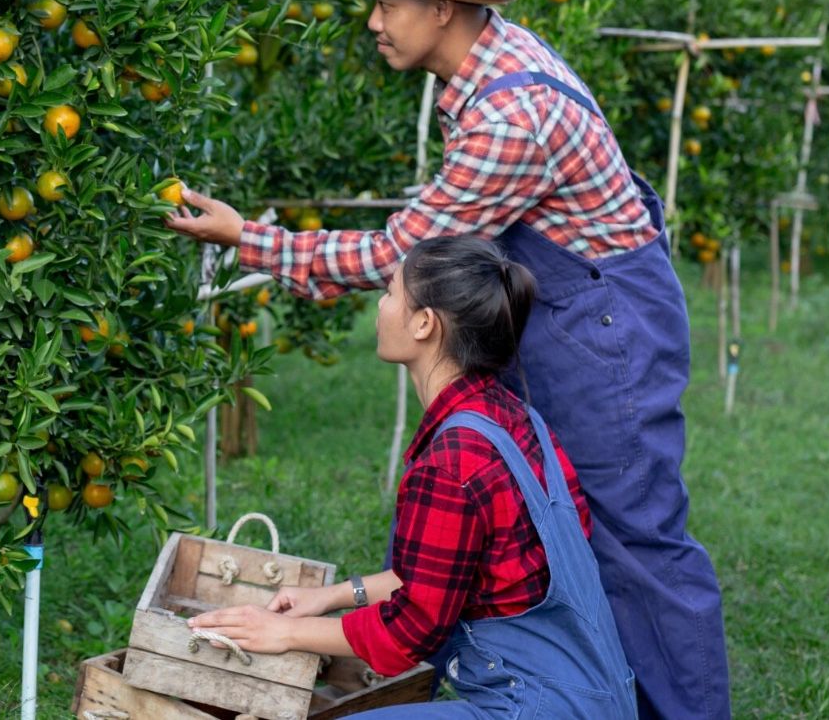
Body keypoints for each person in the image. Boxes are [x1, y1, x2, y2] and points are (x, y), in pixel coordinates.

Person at [167, 0, 728, 719]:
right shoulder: (493, 61)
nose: (371, 20)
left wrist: (248, 240)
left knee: (639, 545)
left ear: (440, 9)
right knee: (567, 532)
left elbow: (401, 255)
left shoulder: (507, 121)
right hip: (580, 310)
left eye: (387, 2)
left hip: (605, 329)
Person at [188, 236, 636, 718]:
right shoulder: (519, 420)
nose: (380, 307)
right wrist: (333, 596)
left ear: (424, 323)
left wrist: (282, 632)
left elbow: (409, 633)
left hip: (530, 707)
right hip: (598, 696)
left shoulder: (451, 461)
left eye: (390, 293)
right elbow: (450, 574)